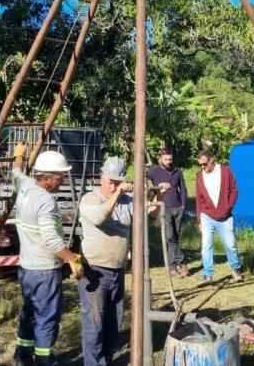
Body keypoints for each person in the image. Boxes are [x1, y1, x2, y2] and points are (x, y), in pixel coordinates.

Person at [78, 156, 163, 366]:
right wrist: (118, 193)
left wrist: (158, 195)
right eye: (110, 182)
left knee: (113, 323)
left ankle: (106, 360)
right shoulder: (91, 198)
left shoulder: (127, 201)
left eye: (117, 182)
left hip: (117, 270)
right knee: (94, 322)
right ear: (101, 178)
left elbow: (148, 219)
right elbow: (99, 217)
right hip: (94, 271)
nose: (113, 186)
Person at [11, 142, 85, 366]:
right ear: (47, 178)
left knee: (29, 312)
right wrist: (73, 258)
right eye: (60, 177)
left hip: (26, 269)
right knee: (46, 318)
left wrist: (18, 156)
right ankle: (44, 360)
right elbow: (52, 241)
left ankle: (23, 355)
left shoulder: (25, 186)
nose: (62, 181)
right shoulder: (45, 201)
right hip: (44, 271)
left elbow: (16, 173)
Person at [195, 150, 244, 283]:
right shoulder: (200, 176)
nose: (203, 167)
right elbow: (199, 199)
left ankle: (235, 270)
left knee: (231, 244)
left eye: (205, 164)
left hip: (225, 216)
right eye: (200, 164)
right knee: (206, 246)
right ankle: (208, 275)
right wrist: (199, 219)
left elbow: (234, 190)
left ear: (212, 160)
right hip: (207, 216)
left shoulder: (226, 172)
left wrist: (228, 206)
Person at [146, 148, 189, 278]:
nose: (168, 161)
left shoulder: (177, 172)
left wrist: (183, 205)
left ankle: (172, 268)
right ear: (161, 158)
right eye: (166, 159)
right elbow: (142, 178)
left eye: (170, 159)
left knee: (174, 238)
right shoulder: (154, 170)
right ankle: (182, 261)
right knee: (169, 237)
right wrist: (150, 192)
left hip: (178, 208)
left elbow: (183, 189)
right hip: (164, 207)